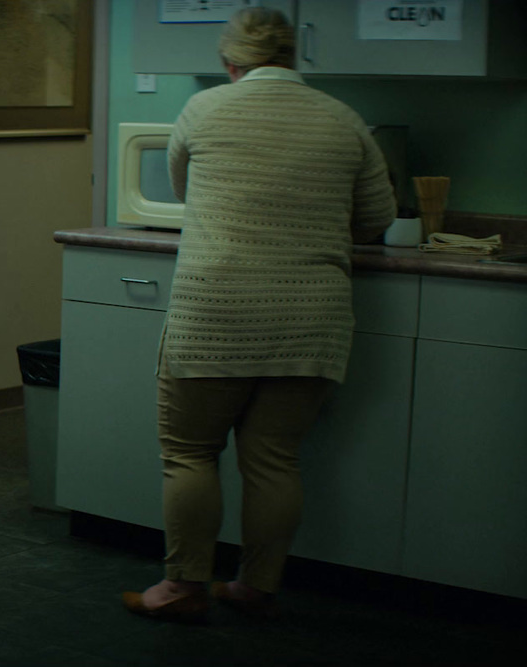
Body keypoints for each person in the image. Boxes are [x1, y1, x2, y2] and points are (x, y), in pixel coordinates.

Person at [122, 7, 395, 622]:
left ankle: (183, 587)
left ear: (230, 61)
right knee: (274, 458)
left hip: (214, 310)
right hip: (309, 317)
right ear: (294, 57)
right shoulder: (344, 119)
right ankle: (256, 586)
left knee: (190, 452)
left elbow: (188, 190)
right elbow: (377, 217)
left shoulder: (204, 110)